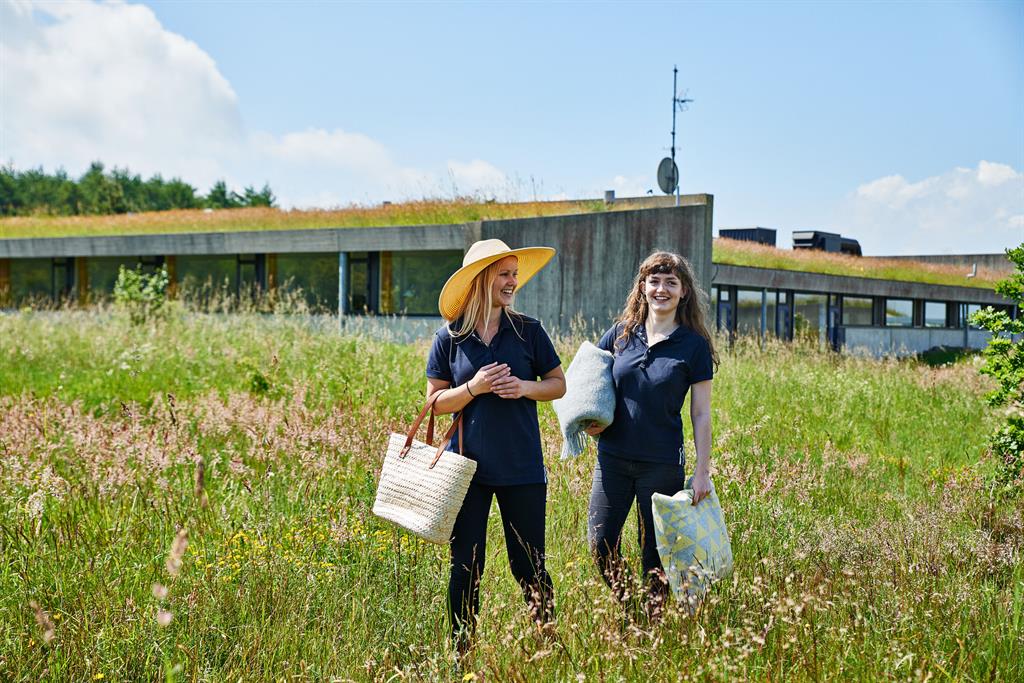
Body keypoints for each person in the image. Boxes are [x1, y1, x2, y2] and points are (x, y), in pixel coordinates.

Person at [425, 238, 566, 651]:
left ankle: (547, 645)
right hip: (466, 470)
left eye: (514, 275)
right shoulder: (449, 337)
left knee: (530, 565)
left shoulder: (529, 331)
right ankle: (462, 652)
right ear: (482, 279)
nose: (512, 283)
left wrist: (523, 387)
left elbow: (558, 385)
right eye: (504, 274)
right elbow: (433, 403)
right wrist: (474, 387)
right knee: (466, 566)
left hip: (522, 467)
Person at [585, 251, 719, 619]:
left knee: (654, 552)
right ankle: (631, 609)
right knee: (600, 543)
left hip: (661, 464)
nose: (662, 289)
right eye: (654, 281)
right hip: (611, 459)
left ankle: (652, 626)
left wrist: (703, 470)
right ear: (642, 287)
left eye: (671, 283)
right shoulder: (620, 334)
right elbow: (588, 382)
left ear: (684, 292)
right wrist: (587, 421)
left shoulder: (693, 346)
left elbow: (701, 412)